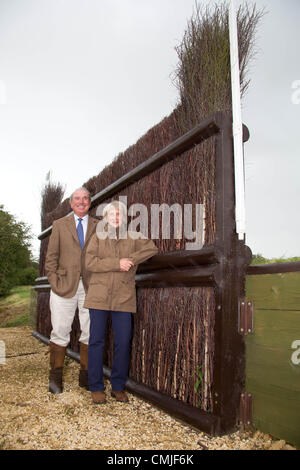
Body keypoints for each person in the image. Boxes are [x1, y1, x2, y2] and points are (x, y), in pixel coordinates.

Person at [84, 200, 158, 404]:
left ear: (124, 218)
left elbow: (151, 248)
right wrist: (117, 264)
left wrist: (131, 259)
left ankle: (117, 386)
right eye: (111, 215)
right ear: (106, 218)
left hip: (124, 296)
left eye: (119, 215)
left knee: (123, 342)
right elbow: (90, 263)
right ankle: (96, 387)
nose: (115, 218)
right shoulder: (97, 236)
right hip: (99, 295)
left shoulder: (133, 235)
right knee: (96, 341)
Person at [45, 187, 98, 394]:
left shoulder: (99, 226)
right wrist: (54, 281)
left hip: (91, 287)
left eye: (85, 198)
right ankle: (55, 377)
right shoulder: (59, 225)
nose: (81, 201)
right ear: (71, 203)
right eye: (77, 198)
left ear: (90, 202)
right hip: (63, 287)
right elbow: (51, 258)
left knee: (90, 331)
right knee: (60, 330)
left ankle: (85, 377)